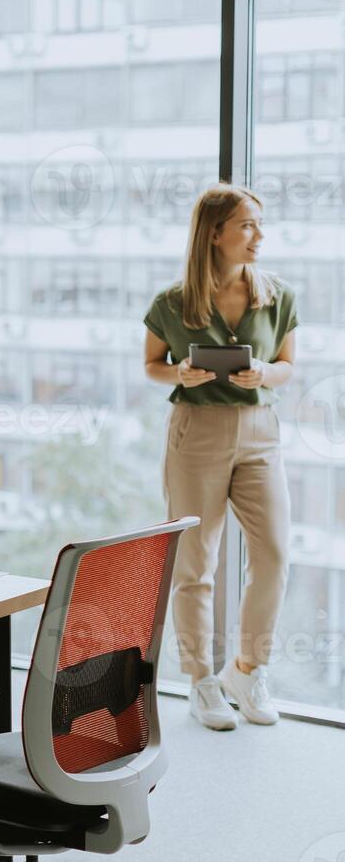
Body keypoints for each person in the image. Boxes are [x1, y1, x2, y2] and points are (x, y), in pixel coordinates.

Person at [143, 184, 296, 731]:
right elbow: (153, 366)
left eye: (259, 224)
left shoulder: (277, 295)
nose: (259, 235)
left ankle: (246, 670)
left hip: (259, 431)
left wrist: (266, 375)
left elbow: (286, 365)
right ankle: (201, 680)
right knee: (195, 562)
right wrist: (178, 373)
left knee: (275, 554)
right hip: (197, 430)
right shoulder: (172, 301)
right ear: (215, 233)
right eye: (248, 225)